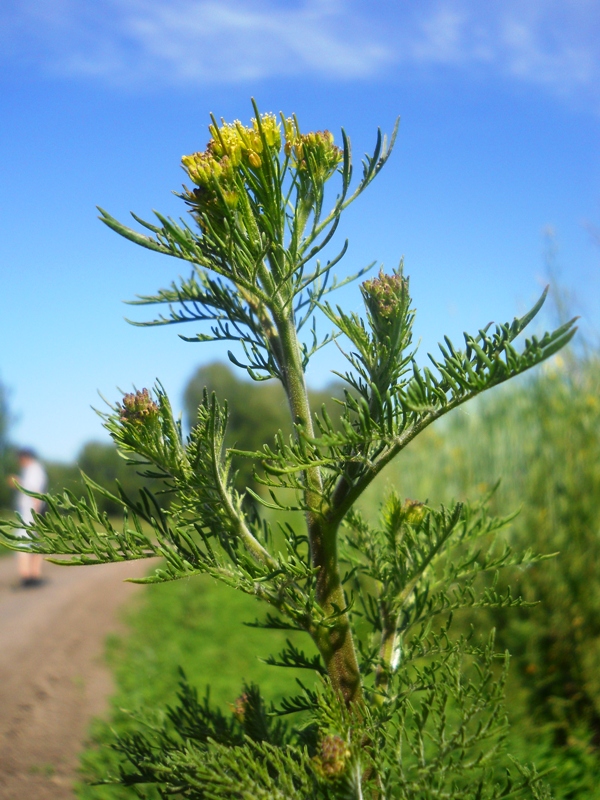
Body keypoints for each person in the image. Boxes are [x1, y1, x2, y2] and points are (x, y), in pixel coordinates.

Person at [8, 448, 48, 587]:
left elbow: (35, 492)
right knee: (34, 544)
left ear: (25, 457)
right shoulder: (33, 469)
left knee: (23, 543)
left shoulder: (34, 470)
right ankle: (33, 575)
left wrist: (17, 482)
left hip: (30, 513)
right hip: (31, 512)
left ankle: (28, 576)